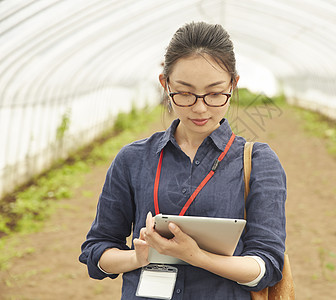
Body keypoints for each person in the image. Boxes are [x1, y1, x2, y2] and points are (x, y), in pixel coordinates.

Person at [79, 21, 286, 299]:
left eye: (214, 93)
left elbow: (267, 266)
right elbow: (97, 250)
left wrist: (196, 256)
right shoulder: (133, 159)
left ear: (233, 84)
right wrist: (139, 258)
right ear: (165, 84)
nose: (200, 108)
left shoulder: (258, 162)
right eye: (185, 93)